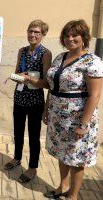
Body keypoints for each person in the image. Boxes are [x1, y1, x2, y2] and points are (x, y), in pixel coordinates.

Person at [43, 20, 103, 200]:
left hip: (78, 119)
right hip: (58, 116)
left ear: (84, 37)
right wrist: (47, 109)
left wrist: (84, 125)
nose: (70, 39)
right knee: (62, 153)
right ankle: (63, 186)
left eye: (75, 35)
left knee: (77, 159)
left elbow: (94, 95)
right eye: (67, 35)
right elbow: (53, 86)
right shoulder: (60, 57)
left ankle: (73, 196)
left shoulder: (93, 61)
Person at [4, 20, 52, 183]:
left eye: (37, 32)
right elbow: (18, 72)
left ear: (43, 35)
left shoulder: (45, 53)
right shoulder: (22, 51)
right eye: (30, 31)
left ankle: (32, 168)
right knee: (17, 131)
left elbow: (47, 83)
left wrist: (29, 78)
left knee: (33, 135)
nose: (32, 35)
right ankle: (17, 158)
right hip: (19, 98)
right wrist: (16, 76)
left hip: (35, 101)